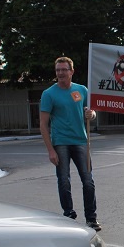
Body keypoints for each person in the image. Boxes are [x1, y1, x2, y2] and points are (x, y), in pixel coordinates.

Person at [40, 56, 102, 231]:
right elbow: (43, 124)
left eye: (64, 69)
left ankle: (91, 218)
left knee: (88, 181)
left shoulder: (82, 90)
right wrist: (50, 150)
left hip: (81, 141)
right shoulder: (49, 94)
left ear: (71, 71)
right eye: (58, 70)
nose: (60, 73)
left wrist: (92, 115)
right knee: (64, 181)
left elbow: (91, 112)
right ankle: (69, 215)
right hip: (60, 143)